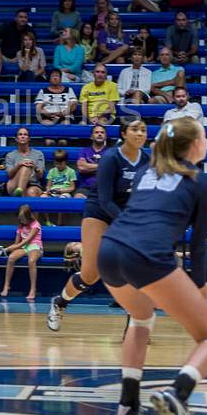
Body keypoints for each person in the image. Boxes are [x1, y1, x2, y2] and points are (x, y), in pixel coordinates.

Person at [96, 117, 207, 415]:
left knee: (141, 318)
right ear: (194, 146)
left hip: (109, 250)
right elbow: (198, 243)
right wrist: (201, 283)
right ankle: (177, 394)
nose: (205, 142)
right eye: (203, 137)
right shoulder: (202, 182)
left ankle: (127, 408)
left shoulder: (144, 173)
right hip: (146, 255)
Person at [49, 120, 148, 331]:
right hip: (100, 211)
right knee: (90, 275)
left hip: (126, 214)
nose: (140, 133)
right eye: (135, 129)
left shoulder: (147, 160)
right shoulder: (111, 158)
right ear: (124, 133)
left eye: (143, 130)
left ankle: (135, 327)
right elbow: (105, 200)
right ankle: (60, 302)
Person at [2, 204, 43, 300]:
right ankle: (6, 285)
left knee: (31, 261)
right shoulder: (20, 227)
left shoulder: (35, 225)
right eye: (20, 219)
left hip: (35, 246)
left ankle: (33, 289)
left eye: (23, 218)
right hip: (24, 247)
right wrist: (4, 250)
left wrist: (9, 248)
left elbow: (27, 241)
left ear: (29, 216)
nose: (21, 221)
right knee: (11, 258)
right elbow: (17, 242)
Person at [5, 127, 45, 197]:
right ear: (16, 139)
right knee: (25, 165)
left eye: (25, 134)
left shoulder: (38, 154)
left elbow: (40, 175)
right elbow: (9, 175)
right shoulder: (10, 155)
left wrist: (34, 167)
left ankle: (20, 194)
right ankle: (20, 191)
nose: (23, 136)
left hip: (33, 184)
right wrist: (19, 165)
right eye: (20, 134)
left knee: (32, 193)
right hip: (14, 184)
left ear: (29, 138)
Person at [75, 124, 110, 196]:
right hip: (86, 188)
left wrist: (88, 166)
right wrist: (103, 166)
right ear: (91, 136)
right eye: (96, 132)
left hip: (104, 188)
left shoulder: (111, 152)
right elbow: (82, 168)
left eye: (102, 132)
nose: (100, 134)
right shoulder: (84, 151)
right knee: (78, 197)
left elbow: (111, 168)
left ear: (106, 137)